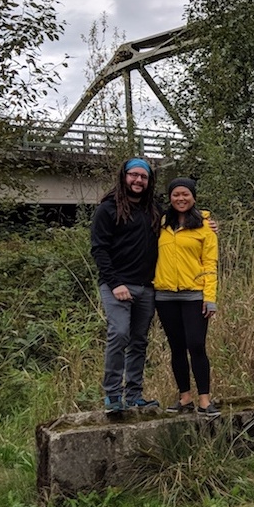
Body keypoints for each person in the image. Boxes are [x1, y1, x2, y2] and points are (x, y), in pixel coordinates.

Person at [90, 158, 161, 414]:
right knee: (119, 334)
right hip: (116, 285)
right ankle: (112, 396)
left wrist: (206, 223)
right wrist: (116, 282)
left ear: (149, 181)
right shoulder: (108, 209)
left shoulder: (153, 210)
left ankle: (133, 395)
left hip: (146, 287)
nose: (138, 181)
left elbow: (180, 221)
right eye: (134, 175)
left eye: (144, 177)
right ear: (124, 177)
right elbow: (99, 249)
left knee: (139, 341)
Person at [153, 177, 221, 418]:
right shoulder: (160, 224)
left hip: (195, 295)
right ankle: (185, 398)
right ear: (170, 198)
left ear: (193, 197)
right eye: (175, 195)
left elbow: (210, 264)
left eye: (185, 194)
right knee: (177, 347)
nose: (180, 198)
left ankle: (205, 399)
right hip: (165, 295)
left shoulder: (205, 226)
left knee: (196, 344)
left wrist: (209, 297)